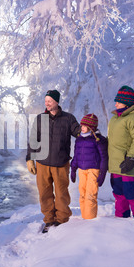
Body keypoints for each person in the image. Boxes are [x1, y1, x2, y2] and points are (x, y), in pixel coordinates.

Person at [26, 90, 80, 232]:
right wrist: (30, 159)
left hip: (61, 163)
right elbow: (33, 140)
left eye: (50, 100)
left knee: (61, 193)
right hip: (42, 163)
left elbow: (79, 133)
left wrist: (88, 131)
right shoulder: (40, 118)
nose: (47, 103)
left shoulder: (68, 119)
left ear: (57, 102)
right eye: (46, 100)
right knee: (44, 193)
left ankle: (62, 220)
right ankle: (49, 220)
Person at [108, 85, 134, 219]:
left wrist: (132, 158)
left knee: (130, 191)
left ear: (126, 102)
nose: (115, 104)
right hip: (115, 163)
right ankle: (121, 218)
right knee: (118, 193)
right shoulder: (115, 118)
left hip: (127, 162)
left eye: (118, 101)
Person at [70, 114, 108, 219]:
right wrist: (73, 169)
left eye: (84, 126)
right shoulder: (79, 139)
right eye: (81, 125)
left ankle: (89, 222)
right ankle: (84, 219)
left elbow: (104, 158)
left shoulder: (99, 140)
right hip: (82, 170)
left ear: (91, 128)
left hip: (93, 170)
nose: (81, 128)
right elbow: (76, 156)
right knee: (82, 195)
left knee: (90, 196)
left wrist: (102, 174)